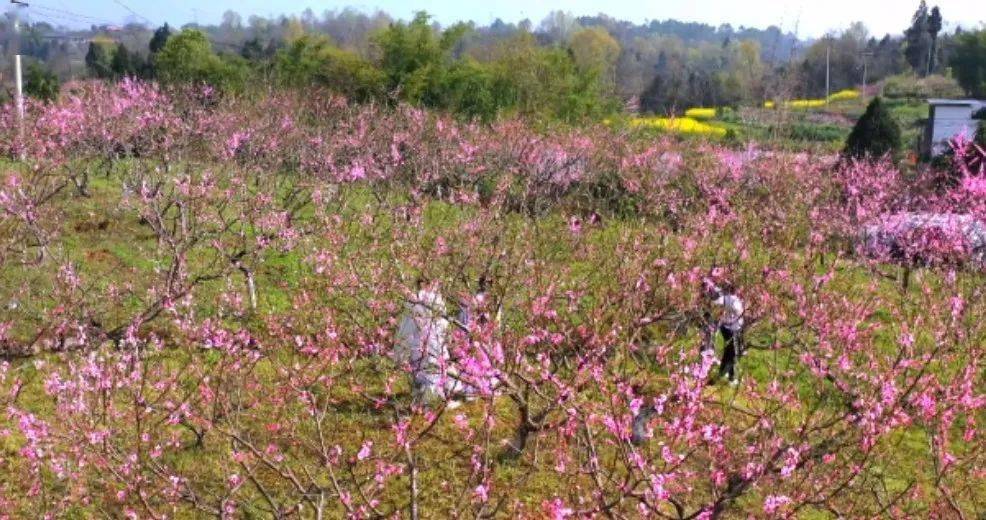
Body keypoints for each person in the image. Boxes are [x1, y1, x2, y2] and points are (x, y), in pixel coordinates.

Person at [395, 278, 461, 408]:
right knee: (432, 368)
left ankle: (428, 399)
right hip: (430, 340)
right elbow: (440, 320)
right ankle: (429, 402)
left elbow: (408, 324)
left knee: (429, 368)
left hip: (423, 340)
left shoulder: (418, 299)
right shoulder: (430, 298)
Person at [452, 275, 503, 398]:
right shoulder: (481, 298)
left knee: (484, 359)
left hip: (484, 333)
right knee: (482, 359)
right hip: (482, 332)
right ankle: (480, 386)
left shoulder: (489, 298)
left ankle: (482, 386)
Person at [708, 281, 745, 386]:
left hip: (725, 328)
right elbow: (738, 311)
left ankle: (731, 378)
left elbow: (714, 303)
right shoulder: (735, 301)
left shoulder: (724, 298)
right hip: (735, 329)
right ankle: (718, 377)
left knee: (728, 352)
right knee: (732, 355)